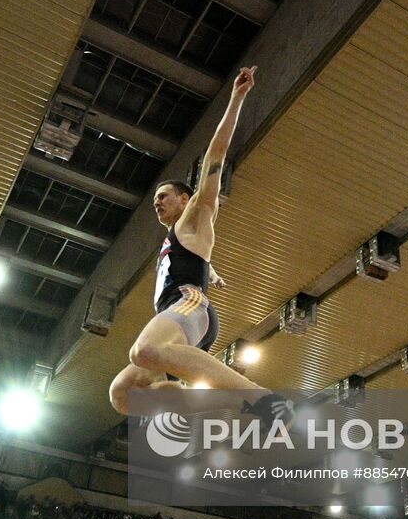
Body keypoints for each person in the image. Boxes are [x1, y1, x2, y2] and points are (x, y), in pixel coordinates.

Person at [108, 66, 289, 420]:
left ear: (186, 198)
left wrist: (236, 98)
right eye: (154, 199)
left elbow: (216, 157)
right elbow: (191, 257)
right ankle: (206, 402)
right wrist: (212, 270)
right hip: (175, 315)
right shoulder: (178, 237)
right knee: (123, 395)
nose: (157, 203)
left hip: (190, 306)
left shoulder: (198, 212)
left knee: (144, 350)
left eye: (163, 196)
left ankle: (264, 399)